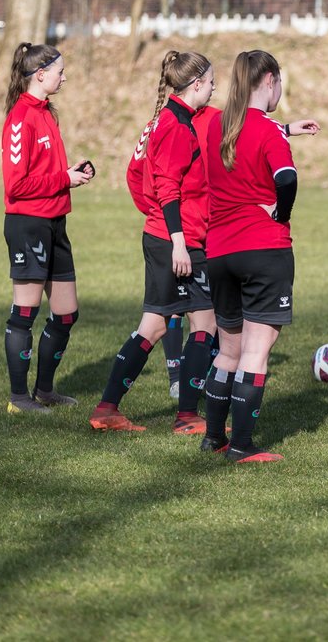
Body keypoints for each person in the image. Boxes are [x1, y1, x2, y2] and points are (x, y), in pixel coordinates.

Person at [90, 51, 218, 434]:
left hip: (165, 235)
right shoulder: (177, 127)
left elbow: (138, 176)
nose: (214, 87)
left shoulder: (168, 119)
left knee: (159, 324)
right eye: (211, 81)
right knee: (200, 322)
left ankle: (108, 408)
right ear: (196, 84)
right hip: (179, 241)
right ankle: (186, 416)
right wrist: (175, 237)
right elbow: (166, 186)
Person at [202, 50, 320, 462]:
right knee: (256, 351)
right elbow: (286, 179)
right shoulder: (269, 133)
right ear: (269, 80)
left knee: (228, 350)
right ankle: (242, 446)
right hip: (263, 249)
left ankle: (213, 436)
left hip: (218, 252)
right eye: (280, 81)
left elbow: (244, 134)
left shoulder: (217, 125)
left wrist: (285, 128)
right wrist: (281, 214)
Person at [1, 42, 95, 414]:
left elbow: (46, 173)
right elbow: (16, 185)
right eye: (60, 71)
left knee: (67, 312)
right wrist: (64, 179)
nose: (64, 77)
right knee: (25, 311)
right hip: (28, 225)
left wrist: (72, 172)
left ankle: (44, 390)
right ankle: (19, 398)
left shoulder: (46, 115)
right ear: (40, 75)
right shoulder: (20, 118)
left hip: (56, 222)